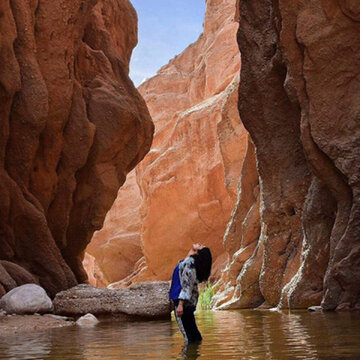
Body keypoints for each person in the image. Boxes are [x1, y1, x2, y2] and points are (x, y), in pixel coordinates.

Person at [169, 243, 212, 344]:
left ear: (199, 253)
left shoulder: (190, 263)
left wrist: (180, 305)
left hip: (182, 303)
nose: (199, 244)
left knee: (188, 337)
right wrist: (193, 250)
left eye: (200, 246)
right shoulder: (191, 262)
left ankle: (189, 354)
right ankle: (195, 352)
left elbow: (187, 286)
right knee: (194, 334)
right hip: (187, 302)